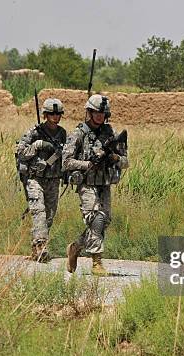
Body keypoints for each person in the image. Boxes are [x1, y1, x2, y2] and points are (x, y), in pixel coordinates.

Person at [62, 94, 129, 276]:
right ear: (89, 112)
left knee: (104, 221)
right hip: (86, 182)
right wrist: (88, 163)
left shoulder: (110, 135)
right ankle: (96, 262)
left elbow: (125, 162)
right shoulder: (79, 134)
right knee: (95, 218)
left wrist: (113, 157)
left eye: (103, 113)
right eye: (96, 112)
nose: (100, 116)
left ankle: (76, 247)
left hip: (104, 183)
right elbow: (66, 162)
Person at [15, 98, 66, 262]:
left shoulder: (62, 133)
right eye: (52, 114)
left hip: (53, 179)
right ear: (45, 115)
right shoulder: (35, 132)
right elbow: (21, 153)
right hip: (35, 179)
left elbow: (67, 155)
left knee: (49, 216)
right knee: (38, 212)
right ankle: (41, 247)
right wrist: (37, 145)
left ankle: (36, 249)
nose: (55, 117)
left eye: (58, 114)